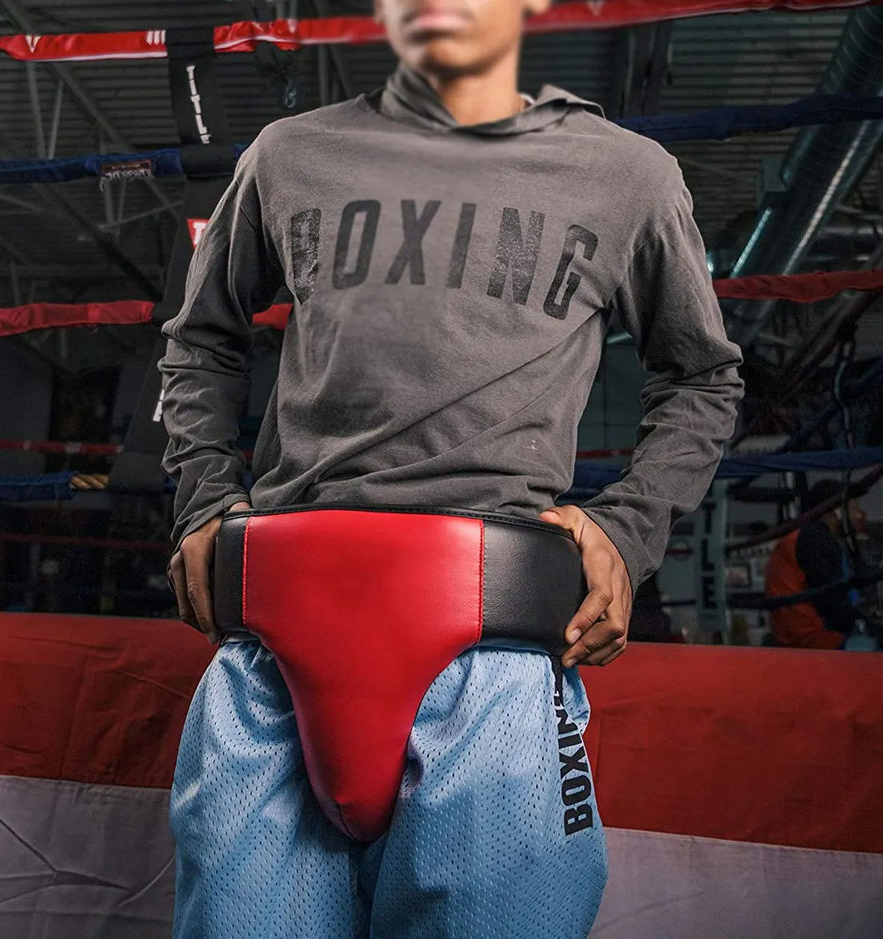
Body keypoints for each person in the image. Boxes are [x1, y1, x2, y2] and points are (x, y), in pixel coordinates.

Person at [158, 1, 744, 935]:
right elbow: (200, 339)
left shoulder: (625, 172)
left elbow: (704, 376)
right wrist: (201, 500)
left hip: (493, 651)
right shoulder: (288, 154)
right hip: (277, 639)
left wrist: (628, 528)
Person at [765, 479, 868, 649]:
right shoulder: (816, 540)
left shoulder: (801, 537)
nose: (858, 515)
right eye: (853, 507)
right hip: (817, 643)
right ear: (836, 511)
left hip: (796, 642)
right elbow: (832, 605)